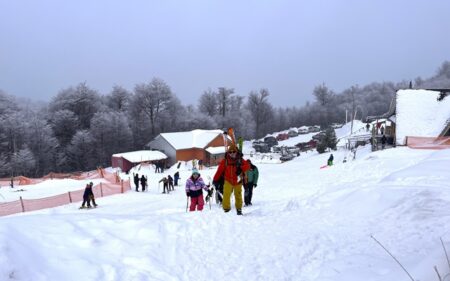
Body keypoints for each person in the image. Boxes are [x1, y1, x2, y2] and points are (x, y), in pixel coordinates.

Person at [213, 143, 250, 215]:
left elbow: (248, 166)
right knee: (226, 194)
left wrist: (241, 168)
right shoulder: (225, 161)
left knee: (238, 195)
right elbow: (219, 171)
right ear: (228, 152)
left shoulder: (240, 160)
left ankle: (239, 209)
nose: (232, 153)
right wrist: (215, 180)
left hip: (238, 181)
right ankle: (226, 209)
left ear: (236, 152)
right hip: (228, 180)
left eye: (233, 152)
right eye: (230, 152)